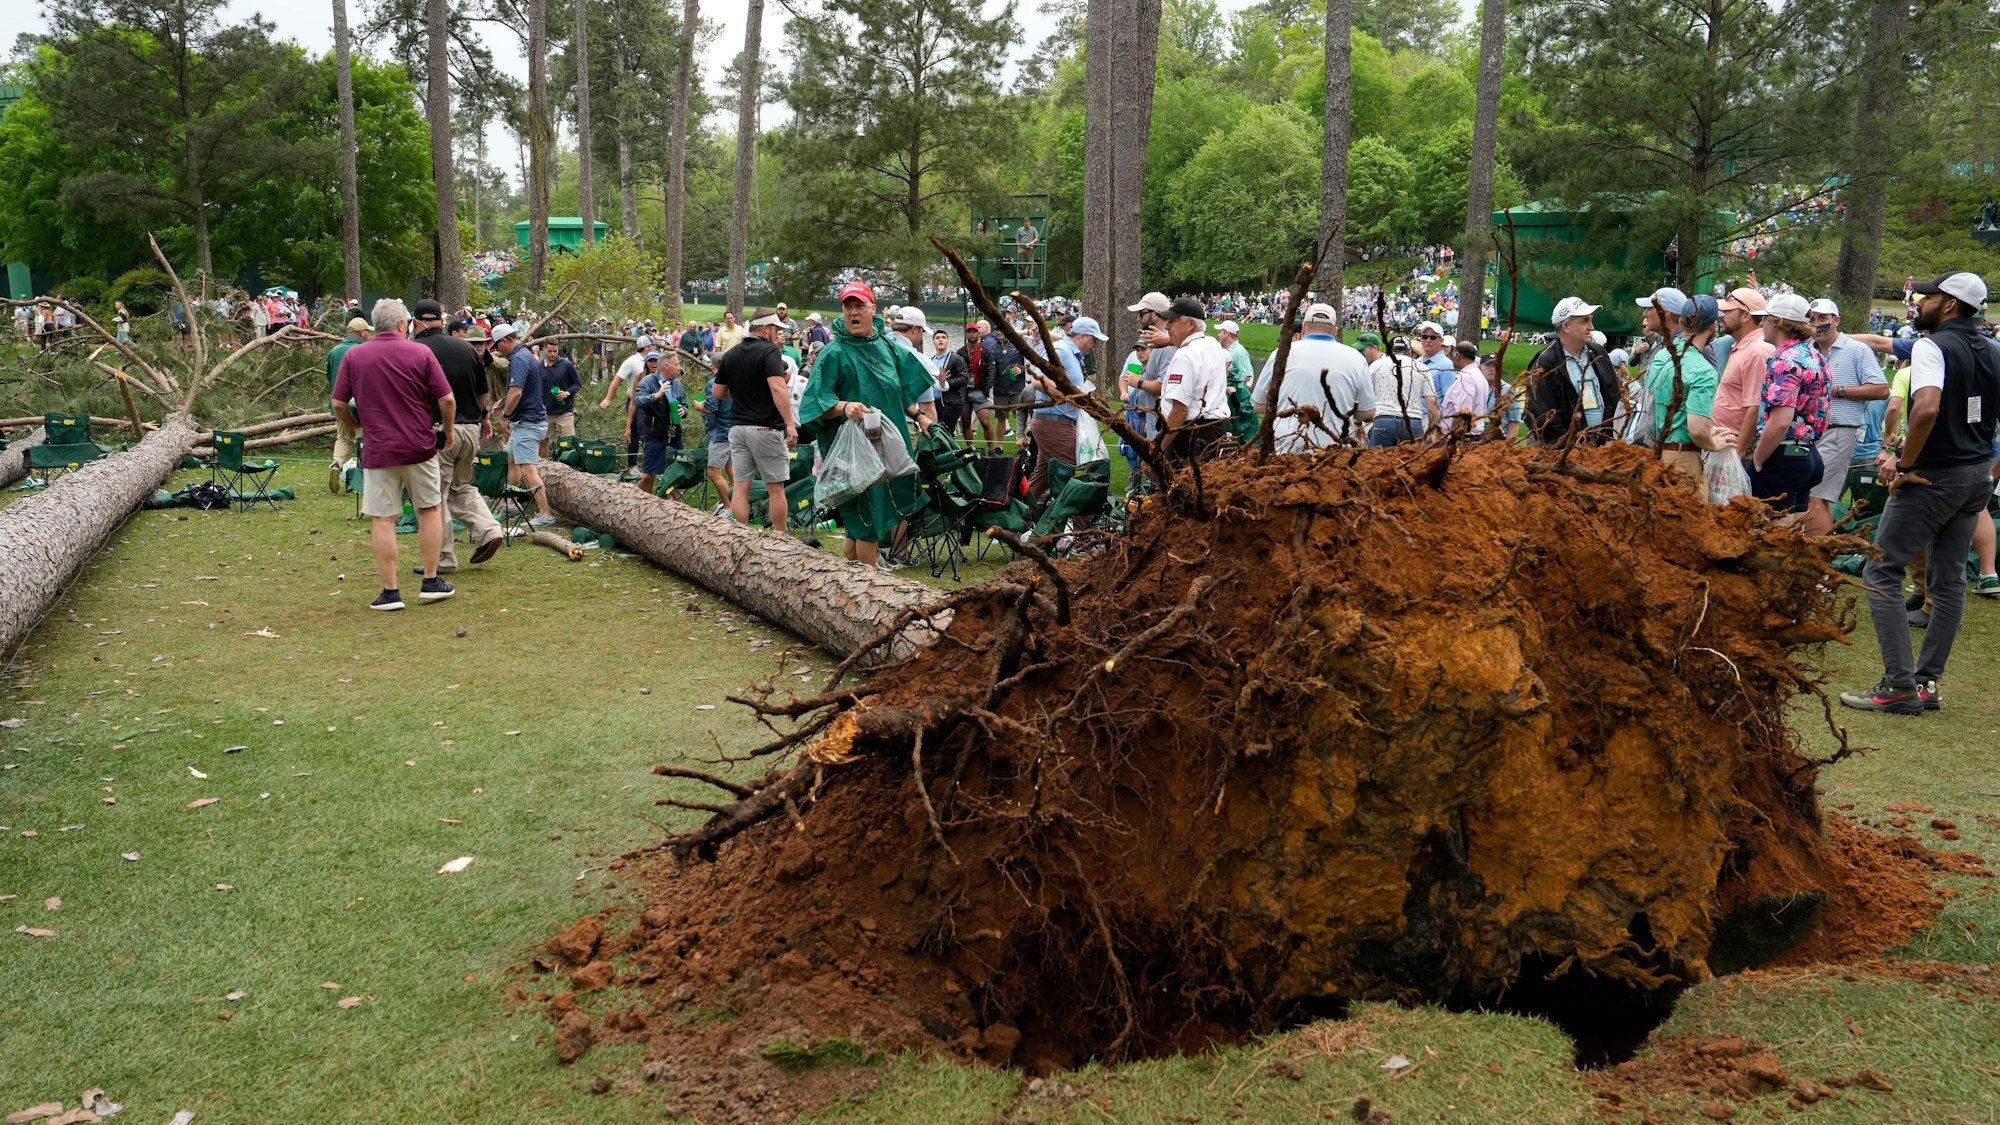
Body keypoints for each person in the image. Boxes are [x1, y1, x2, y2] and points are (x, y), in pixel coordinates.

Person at [1841, 272, 1999, 715]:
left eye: (1927, 297)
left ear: (1948, 305)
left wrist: (1905, 464)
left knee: (1881, 572)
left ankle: (1898, 686)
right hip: (1974, 478)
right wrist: (1989, 470)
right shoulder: (1993, 350)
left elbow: (1926, 406)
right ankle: (1925, 684)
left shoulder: (1932, 347)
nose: (1919, 303)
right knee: (1948, 583)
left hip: (1932, 477)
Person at [330, 299, 456, 610]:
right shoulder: (420, 352)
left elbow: (338, 403)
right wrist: (448, 431)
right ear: (402, 325)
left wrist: (357, 427)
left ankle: (390, 592)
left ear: (375, 325)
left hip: (379, 448)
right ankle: (430, 581)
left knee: (383, 518)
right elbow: (447, 399)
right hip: (419, 446)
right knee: (429, 510)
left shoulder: (355, 355)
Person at [798, 280, 934, 567]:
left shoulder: (887, 347)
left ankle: (845, 576)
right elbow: (814, 404)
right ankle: (870, 586)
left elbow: (899, 390)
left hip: (888, 448)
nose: (853, 312)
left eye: (859, 305)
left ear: (873, 308)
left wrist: (920, 416)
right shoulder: (833, 354)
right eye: (847, 306)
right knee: (869, 520)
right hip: (853, 453)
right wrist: (844, 406)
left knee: (862, 522)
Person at [410, 299, 504, 571]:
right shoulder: (466, 350)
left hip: (440, 431)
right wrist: (484, 418)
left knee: (434, 495)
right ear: (442, 320)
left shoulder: (415, 349)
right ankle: (489, 530)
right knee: (460, 487)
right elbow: (483, 392)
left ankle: (444, 558)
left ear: (416, 322)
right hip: (471, 428)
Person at [1804, 297, 1888, 536]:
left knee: (1816, 497)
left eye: (1823, 318)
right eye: (1812, 319)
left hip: (1839, 431)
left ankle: (1818, 563)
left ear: (1836, 320)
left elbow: (1881, 389)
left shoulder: (1856, 350)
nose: (1817, 323)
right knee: (1812, 496)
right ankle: (1811, 557)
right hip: (1808, 432)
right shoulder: (1807, 350)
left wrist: (1838, 390)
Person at [1743, 294, 1830, 515]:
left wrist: (1758, 459)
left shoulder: (1785, 360)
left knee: (1768, 537)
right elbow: (1826, 412)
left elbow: (1780, 422)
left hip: (1782, 458)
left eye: (1766, 318)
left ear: (1779, 321)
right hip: (1808, 455)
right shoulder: (1816, 356)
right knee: (1793, 538)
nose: (1761, 324)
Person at [714, 308, 800, 531]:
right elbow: (777, 386)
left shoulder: (731, 354)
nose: (777, 334)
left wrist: (741, 391)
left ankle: (739, 536)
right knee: (775, 488)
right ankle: (781, 537)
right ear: (765, 328)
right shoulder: (769, 351)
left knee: (741, 487)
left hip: (738, 428)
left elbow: (717, 393)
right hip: (765, 428)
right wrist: (790, 423)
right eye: (775, 329)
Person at [1637, 287, 1728, 491]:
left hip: (1654, 453)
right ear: (1713, 326)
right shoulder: (1703, 371)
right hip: (1682, 460)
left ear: (1681, 321)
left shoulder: (1660, 356)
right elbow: (1696, 430)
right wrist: (1712, 442)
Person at [1251, 304, 1375, 450]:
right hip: (1336, 444)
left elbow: (1258, 404)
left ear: (1303, 328)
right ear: (1335, 331)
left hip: (1287, 443)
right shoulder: (1355, 357)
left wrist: (1286, 407)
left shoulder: (1283, 353)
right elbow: (1368, 411)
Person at [1025, 314, 1107, 496]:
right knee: (1078, 473)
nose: (1095, 345)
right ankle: (1080, 524)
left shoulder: (1072, 355)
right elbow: (1038, 380)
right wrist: (1071, 396)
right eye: (1094, 340)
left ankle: (1017, 516)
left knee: (1043, 476)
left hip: (1056, 422)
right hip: (1054, 423)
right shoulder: (1061, 350)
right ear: (1083, 336)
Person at [1522, 296, 1621, 444]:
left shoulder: (1598, 353)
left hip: (1602, 446)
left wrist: (1609, 435)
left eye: (1590, 320)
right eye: (1584, 321)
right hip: (1564, 451)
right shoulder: (1545, 361)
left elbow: (1613, 394)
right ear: (1566, 327)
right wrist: (1571, 446)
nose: (1591, 327)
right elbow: (1540, 414)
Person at [491, 325, 557, 527]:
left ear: (504, 340)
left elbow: (517, 392)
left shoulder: (519, 359)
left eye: (497, 346)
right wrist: (503, 402)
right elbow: (520, 390)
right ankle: (511, 504)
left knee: (528, 469)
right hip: (527, 420)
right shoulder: (525, 356)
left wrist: (506, 415)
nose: (497, 350)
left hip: (528, 421)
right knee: (512, 460)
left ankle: (546, 515)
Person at [1158, 297, 1233, 462]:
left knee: (1184, 486)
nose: (1167, 326)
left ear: (1190, 324)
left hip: (1190, 436)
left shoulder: (1185, 355)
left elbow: (1180, 411)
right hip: (1215, 430)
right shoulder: (1212, 344)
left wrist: (1157, 448)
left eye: (1172, 321)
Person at [1712, 288, 1773, 450]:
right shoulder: (1741, 346)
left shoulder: (1758, 351)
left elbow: (1755, 407)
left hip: (1735, 445)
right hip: (1724, 441)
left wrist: (1738, 451)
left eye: (1728, 311)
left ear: (1746, 315)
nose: (1721, 316)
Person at [325, 316, 372, 491]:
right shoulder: (365, 350)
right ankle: (361, 477)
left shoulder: (334, 351)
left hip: (339, 402)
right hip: (361, 404)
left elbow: (329, 376)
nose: (369, 335)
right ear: (361, 333)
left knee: (343, 437)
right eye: (367, 331)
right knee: (364, 437)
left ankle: (336, 464)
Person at [1363, 333, 1435, 446]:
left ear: (1391, 350)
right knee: (1411, 462)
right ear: (1410, 350)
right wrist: (1432, 431)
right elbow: (1432, 402)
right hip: (1412, 422)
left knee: (1378, 461)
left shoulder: (1376, 365)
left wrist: (1358, 423)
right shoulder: (1421, 367)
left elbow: (1365, 395)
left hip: (1384, 420)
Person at [633, 351, 687, 495]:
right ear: (666, 366)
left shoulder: (677, 384)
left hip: (675, 436)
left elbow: (684, 403)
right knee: (648, 475)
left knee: (679, 473)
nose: (679, 367)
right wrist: (656, 395)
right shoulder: (648, 381)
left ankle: (671, 508)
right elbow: (637, 400)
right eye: (676, 365)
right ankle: (635, 500)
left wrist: (684, 410)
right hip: (655, 436)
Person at [601, 334, 655, 470]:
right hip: (635, 401)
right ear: (646, 347)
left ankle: (650, 462)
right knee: (635, 433)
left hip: (653, 402)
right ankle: (632, 464)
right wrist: (608, 399)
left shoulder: (655, 359)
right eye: (652, 345)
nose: (654, 347)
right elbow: (617, 380)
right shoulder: (632, 361)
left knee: (651, 431)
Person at [1213, 320, 1261, 446]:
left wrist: (1235, 387)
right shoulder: (1227, 350)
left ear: (1226, 334)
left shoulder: (1239, 351)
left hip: (1237, 400)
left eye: (1220, 332)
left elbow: (1247, 374)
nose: (1218, 334)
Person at [688, 369, 733, 503]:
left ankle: (729, 507)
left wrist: (699, 406)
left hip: (721, 433)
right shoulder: (737, 379)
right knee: (732, 472)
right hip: (735, 431)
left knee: (714, 473)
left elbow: (711, 408)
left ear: (714, 367)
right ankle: (743, 506)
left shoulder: (715, 382)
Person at [956, 321, 996, 444]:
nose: (972, 334)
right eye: (969, 332)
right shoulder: (960, 353)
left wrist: (985, 391)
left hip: (980, 391)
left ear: (978, 333)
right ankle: (970, 448)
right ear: (966, 334)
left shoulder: (986, 352)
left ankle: (991, 449)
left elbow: (991, 372)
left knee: (985, 422)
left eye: (974, 331)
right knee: (966, 422)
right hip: (965, 392)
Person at [930, 328, 973, 435]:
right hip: (934, 402)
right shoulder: (931, 360)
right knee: (936, 431)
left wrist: (946, 382)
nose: (940, 340)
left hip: (951, 402)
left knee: (946, 432)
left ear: (947, 341)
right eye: (937, 338)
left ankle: (952, 451)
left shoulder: (955, 358)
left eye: (943, 338)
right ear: (933, 342)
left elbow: (964, 378)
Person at [541, 339, 583, 443]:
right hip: (546, 412)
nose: (553, 354)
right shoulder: (539, 367)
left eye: (555, 351)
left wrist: (567, 393)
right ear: (544, 349)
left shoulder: (567, 365)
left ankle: (566, 459)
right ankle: (542, 459)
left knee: (569, 443)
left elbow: (577, 383)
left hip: (564, 412)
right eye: (550, 351)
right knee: (543, 442)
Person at [1415, 320, 1455, 402]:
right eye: (1425, 337)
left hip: (1433, 413)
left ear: (1441, 341)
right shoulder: (1417, 362)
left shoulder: (1446, 365)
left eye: (1433, 337)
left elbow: (1449, 398)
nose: (1428, 340)